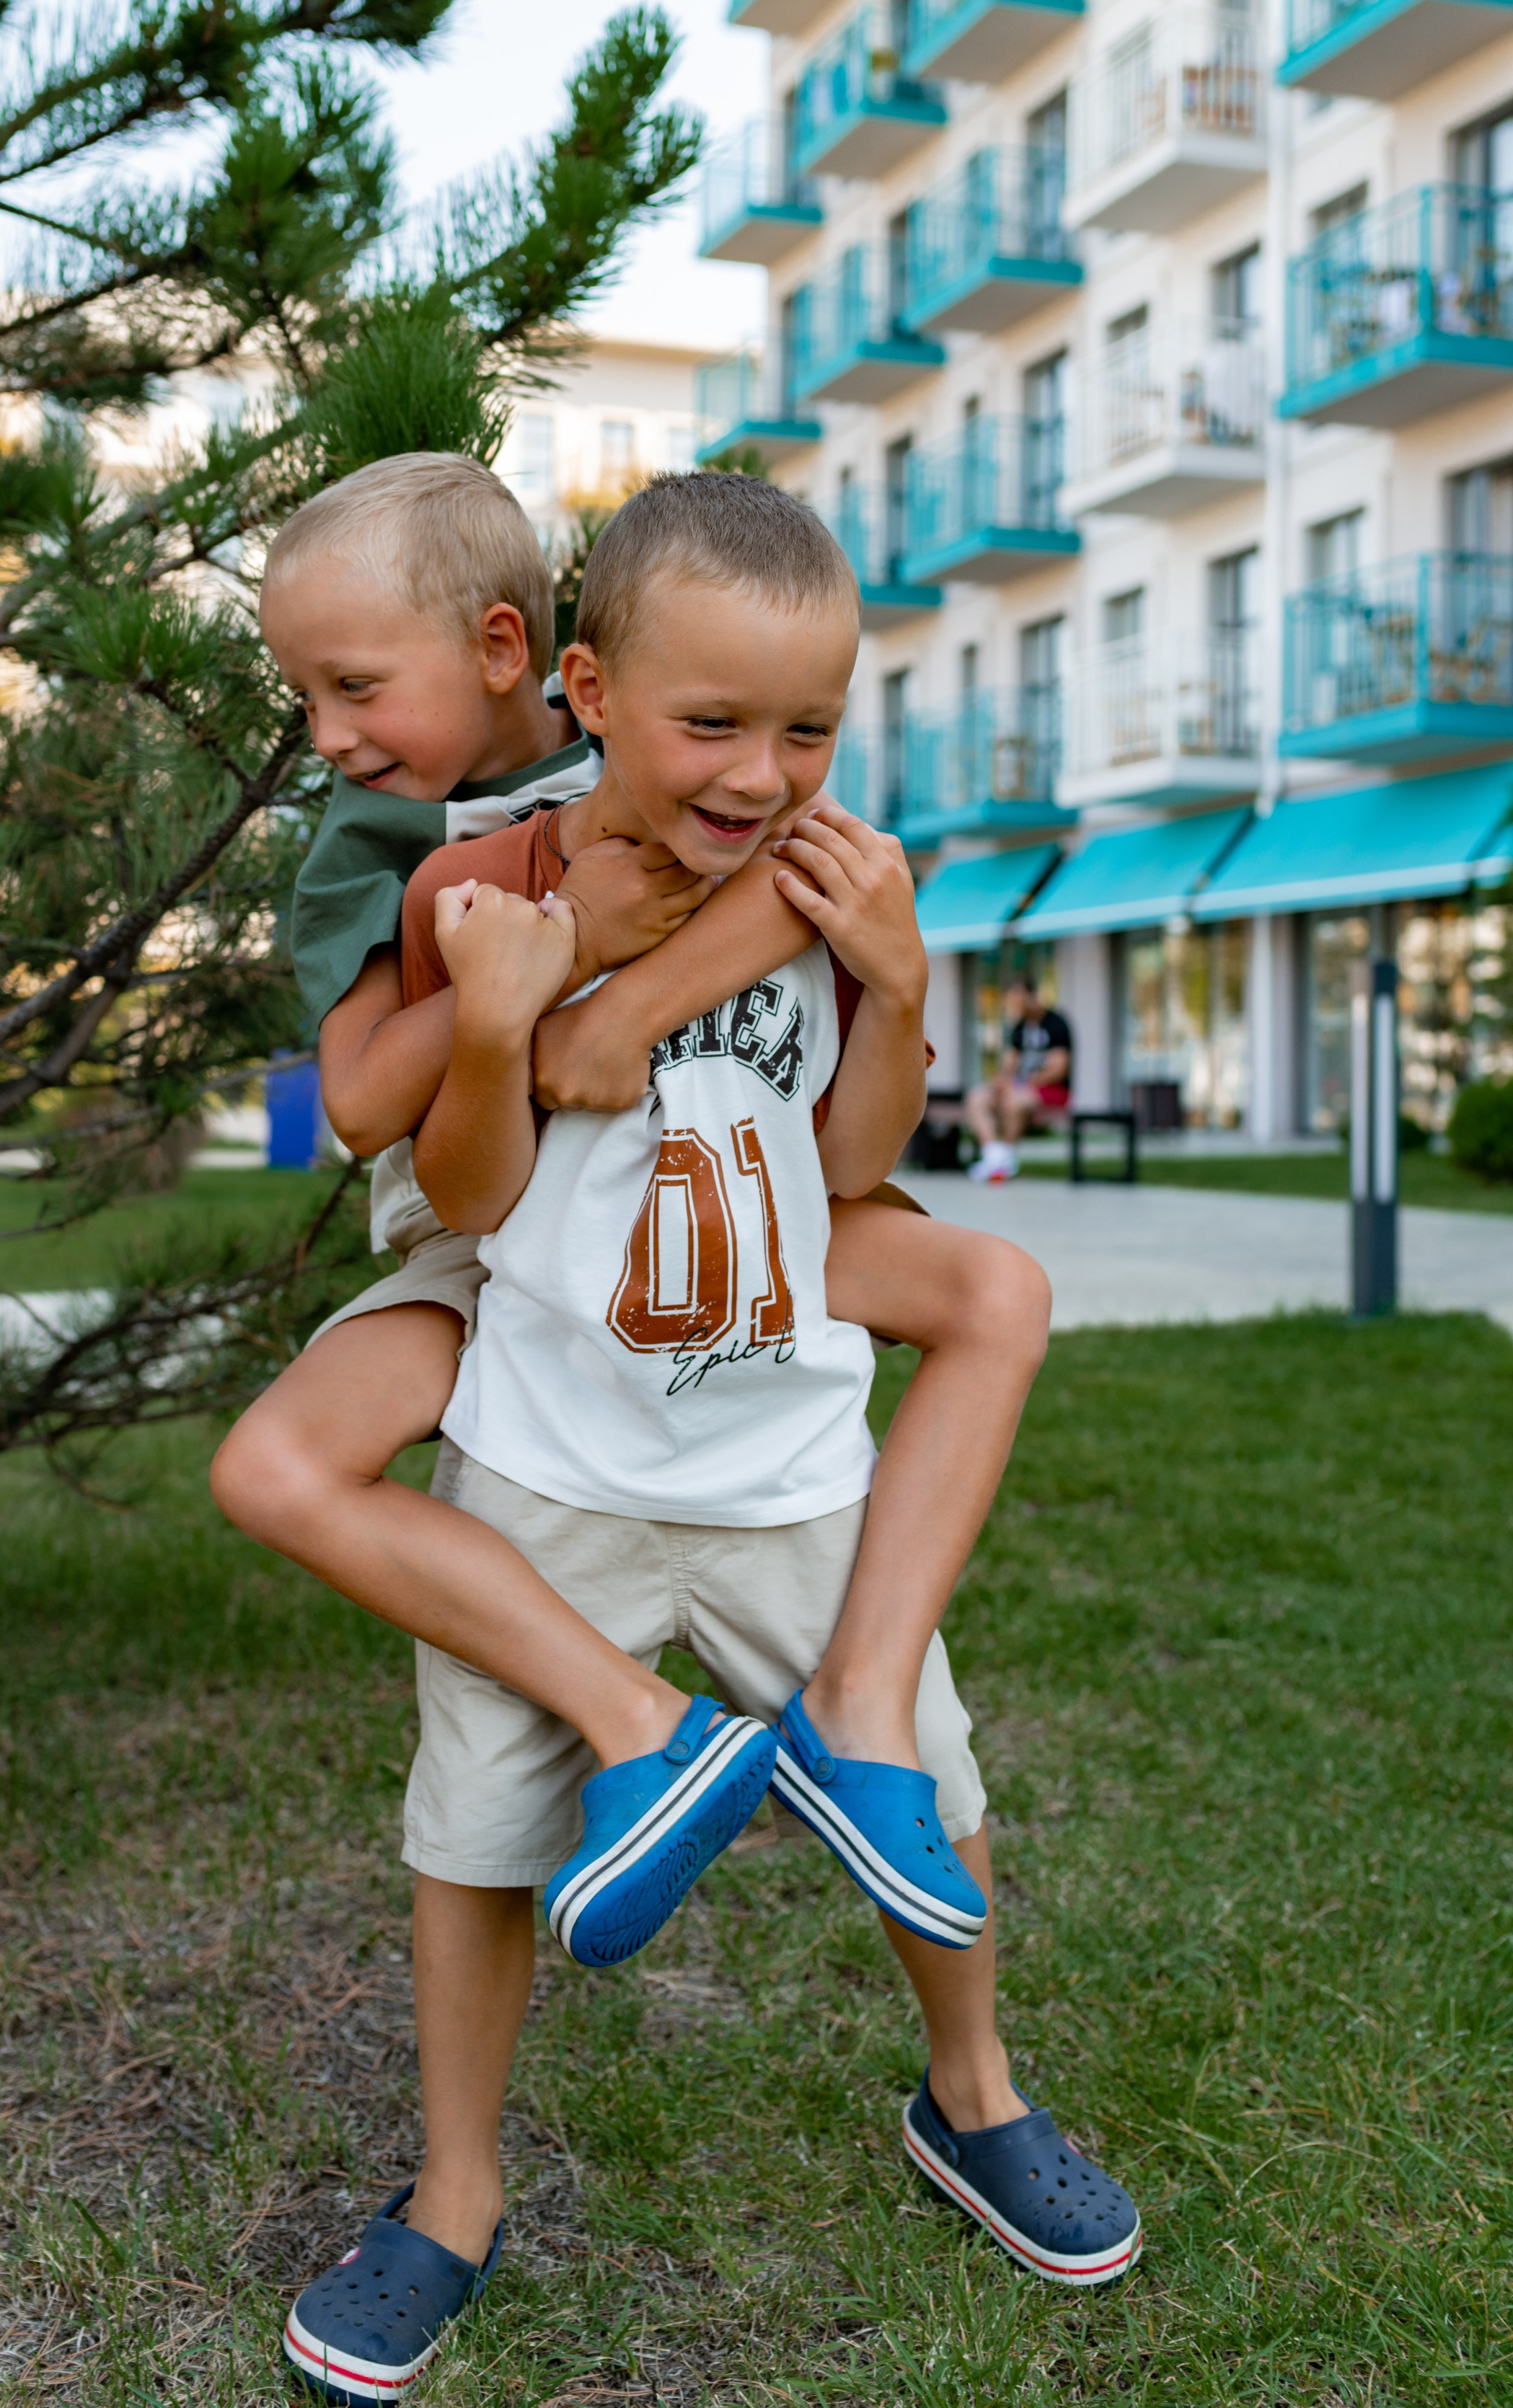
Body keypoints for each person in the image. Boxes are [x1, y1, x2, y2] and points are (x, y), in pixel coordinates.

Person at [268, 471, 1139, 2407]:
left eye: (810, 727)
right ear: (580, 687)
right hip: (550, 1449)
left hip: (779, 1455)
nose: (764, 770)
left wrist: (900, 986)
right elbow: (472, 1195)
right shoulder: (470, 883)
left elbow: (846, 1169)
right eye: (715, 724)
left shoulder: (833, 885)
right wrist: (501, 1020)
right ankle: (456, 2195)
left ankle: (975, 2097)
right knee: (479, 1833)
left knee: (931, 1774)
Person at [214, 453, 1050, 1925]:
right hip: (481, 1231)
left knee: (990, 1286)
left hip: (707, 1203)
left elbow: (790, 875)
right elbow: (359, 1106)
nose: (324, 737)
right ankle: (637, 1727)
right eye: (302, 698)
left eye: (353, 687)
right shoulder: (392, 849)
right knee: (276, 1464)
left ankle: (858, 1714)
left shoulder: (693, 736)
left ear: (507, 653)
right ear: (595, 687)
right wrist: (547, 956)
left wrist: (616, 998)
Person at [966, 978, 1074, 1184]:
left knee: (1014, 1101)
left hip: (1051, 1090)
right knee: (976, 1097)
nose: (1016, 1006)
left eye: (1019, 1000)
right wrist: (1000, 1082)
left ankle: (1004, 1156)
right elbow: (1009, 1064)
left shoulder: (1056, 1023)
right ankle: (993, 1156)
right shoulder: (1018, 1027)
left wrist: (1023, 1084)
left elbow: (1059, 1069)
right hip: (1018, 1088)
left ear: (1032, 997)